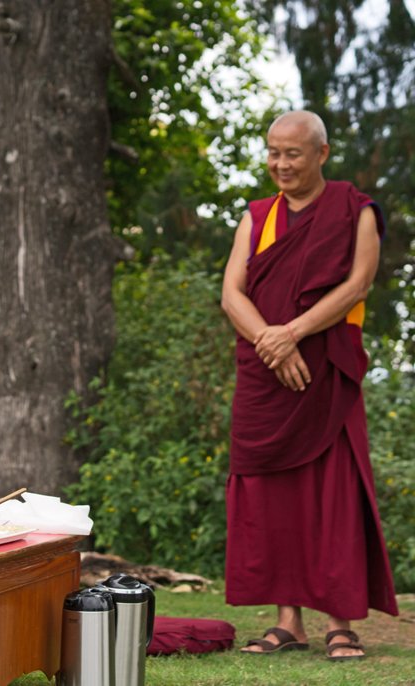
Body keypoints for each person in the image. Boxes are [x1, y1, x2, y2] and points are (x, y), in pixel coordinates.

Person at [221, 111, 398, 661]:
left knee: (332, 494)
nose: (280, 164)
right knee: (269, 498)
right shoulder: (257, 217)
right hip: (266, 376)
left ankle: (340, 622)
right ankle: (287, 621)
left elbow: (359, 283)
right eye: (273, 152)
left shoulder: (355, 209)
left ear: (322, 153)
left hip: (326, 372)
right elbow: (232, 293)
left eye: (292, 153)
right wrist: (273, 346)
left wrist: (292, 333)